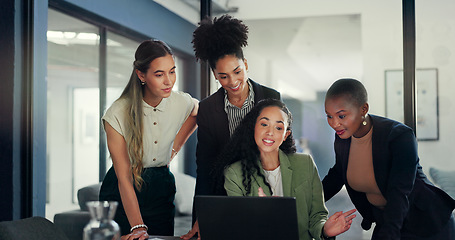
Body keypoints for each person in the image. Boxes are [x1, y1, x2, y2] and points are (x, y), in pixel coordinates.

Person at [182, 15, 281, 239]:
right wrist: (201, 217)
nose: (233, 81)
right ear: (215, 76)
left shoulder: (271, 97)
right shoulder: (208, 109)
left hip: (265, 193)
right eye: (223, 76)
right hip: (224, 195)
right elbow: (205, 167)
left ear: (245, 64)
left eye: (237, 71)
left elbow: (282, 150)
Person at [322, 78, 455, 239]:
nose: (334, 123)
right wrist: (303, 202)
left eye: (341, 116)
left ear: (363, 109)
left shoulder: (399, 136)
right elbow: (338, 174)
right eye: (329, 116)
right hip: (387, 219)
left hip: (426, 222)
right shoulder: (344, 138)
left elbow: (399, 192)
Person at [99, 39, 198, 240]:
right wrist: (137, 226)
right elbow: (124, 178)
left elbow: (197, 113)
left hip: (161, 188)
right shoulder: (117, 113)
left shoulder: (181, 101)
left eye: (172, 71)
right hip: (122, 192)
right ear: (141, 75)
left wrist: (173, 150)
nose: (169, 81)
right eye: (159, 74)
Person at [217, 99, 356, 240]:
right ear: (253, 127)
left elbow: (316, 216)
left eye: (278, 128)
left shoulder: (305, 164)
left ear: (286, 135)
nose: (270, 132)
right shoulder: (234, 173)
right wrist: (261, 214)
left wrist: (325, 230)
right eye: (264, 124)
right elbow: (239, 227)